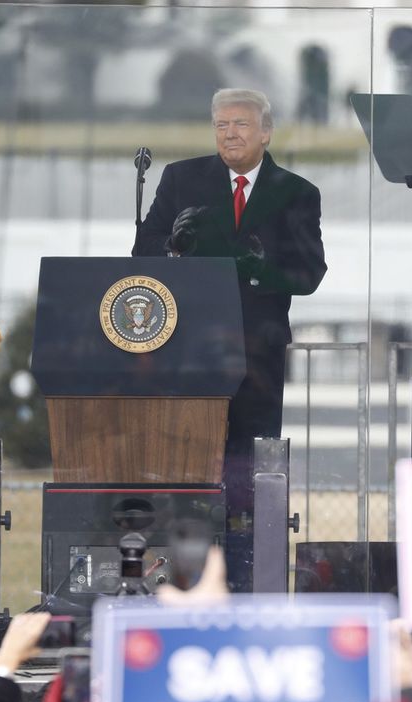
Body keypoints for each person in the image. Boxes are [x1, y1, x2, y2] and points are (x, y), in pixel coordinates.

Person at [132, 88, 326, 574]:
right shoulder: (182, 179)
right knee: (188, 462)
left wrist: (260, 270)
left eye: (240, 124)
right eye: (221, 125)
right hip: (189, 350)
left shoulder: (296, 192)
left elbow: (309, 274)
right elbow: (143, 250)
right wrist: (174, 251)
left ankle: (246, 570)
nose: (229, 133)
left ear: (265, 132)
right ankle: (184, 567)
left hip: (256, 357)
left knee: (249, 467)